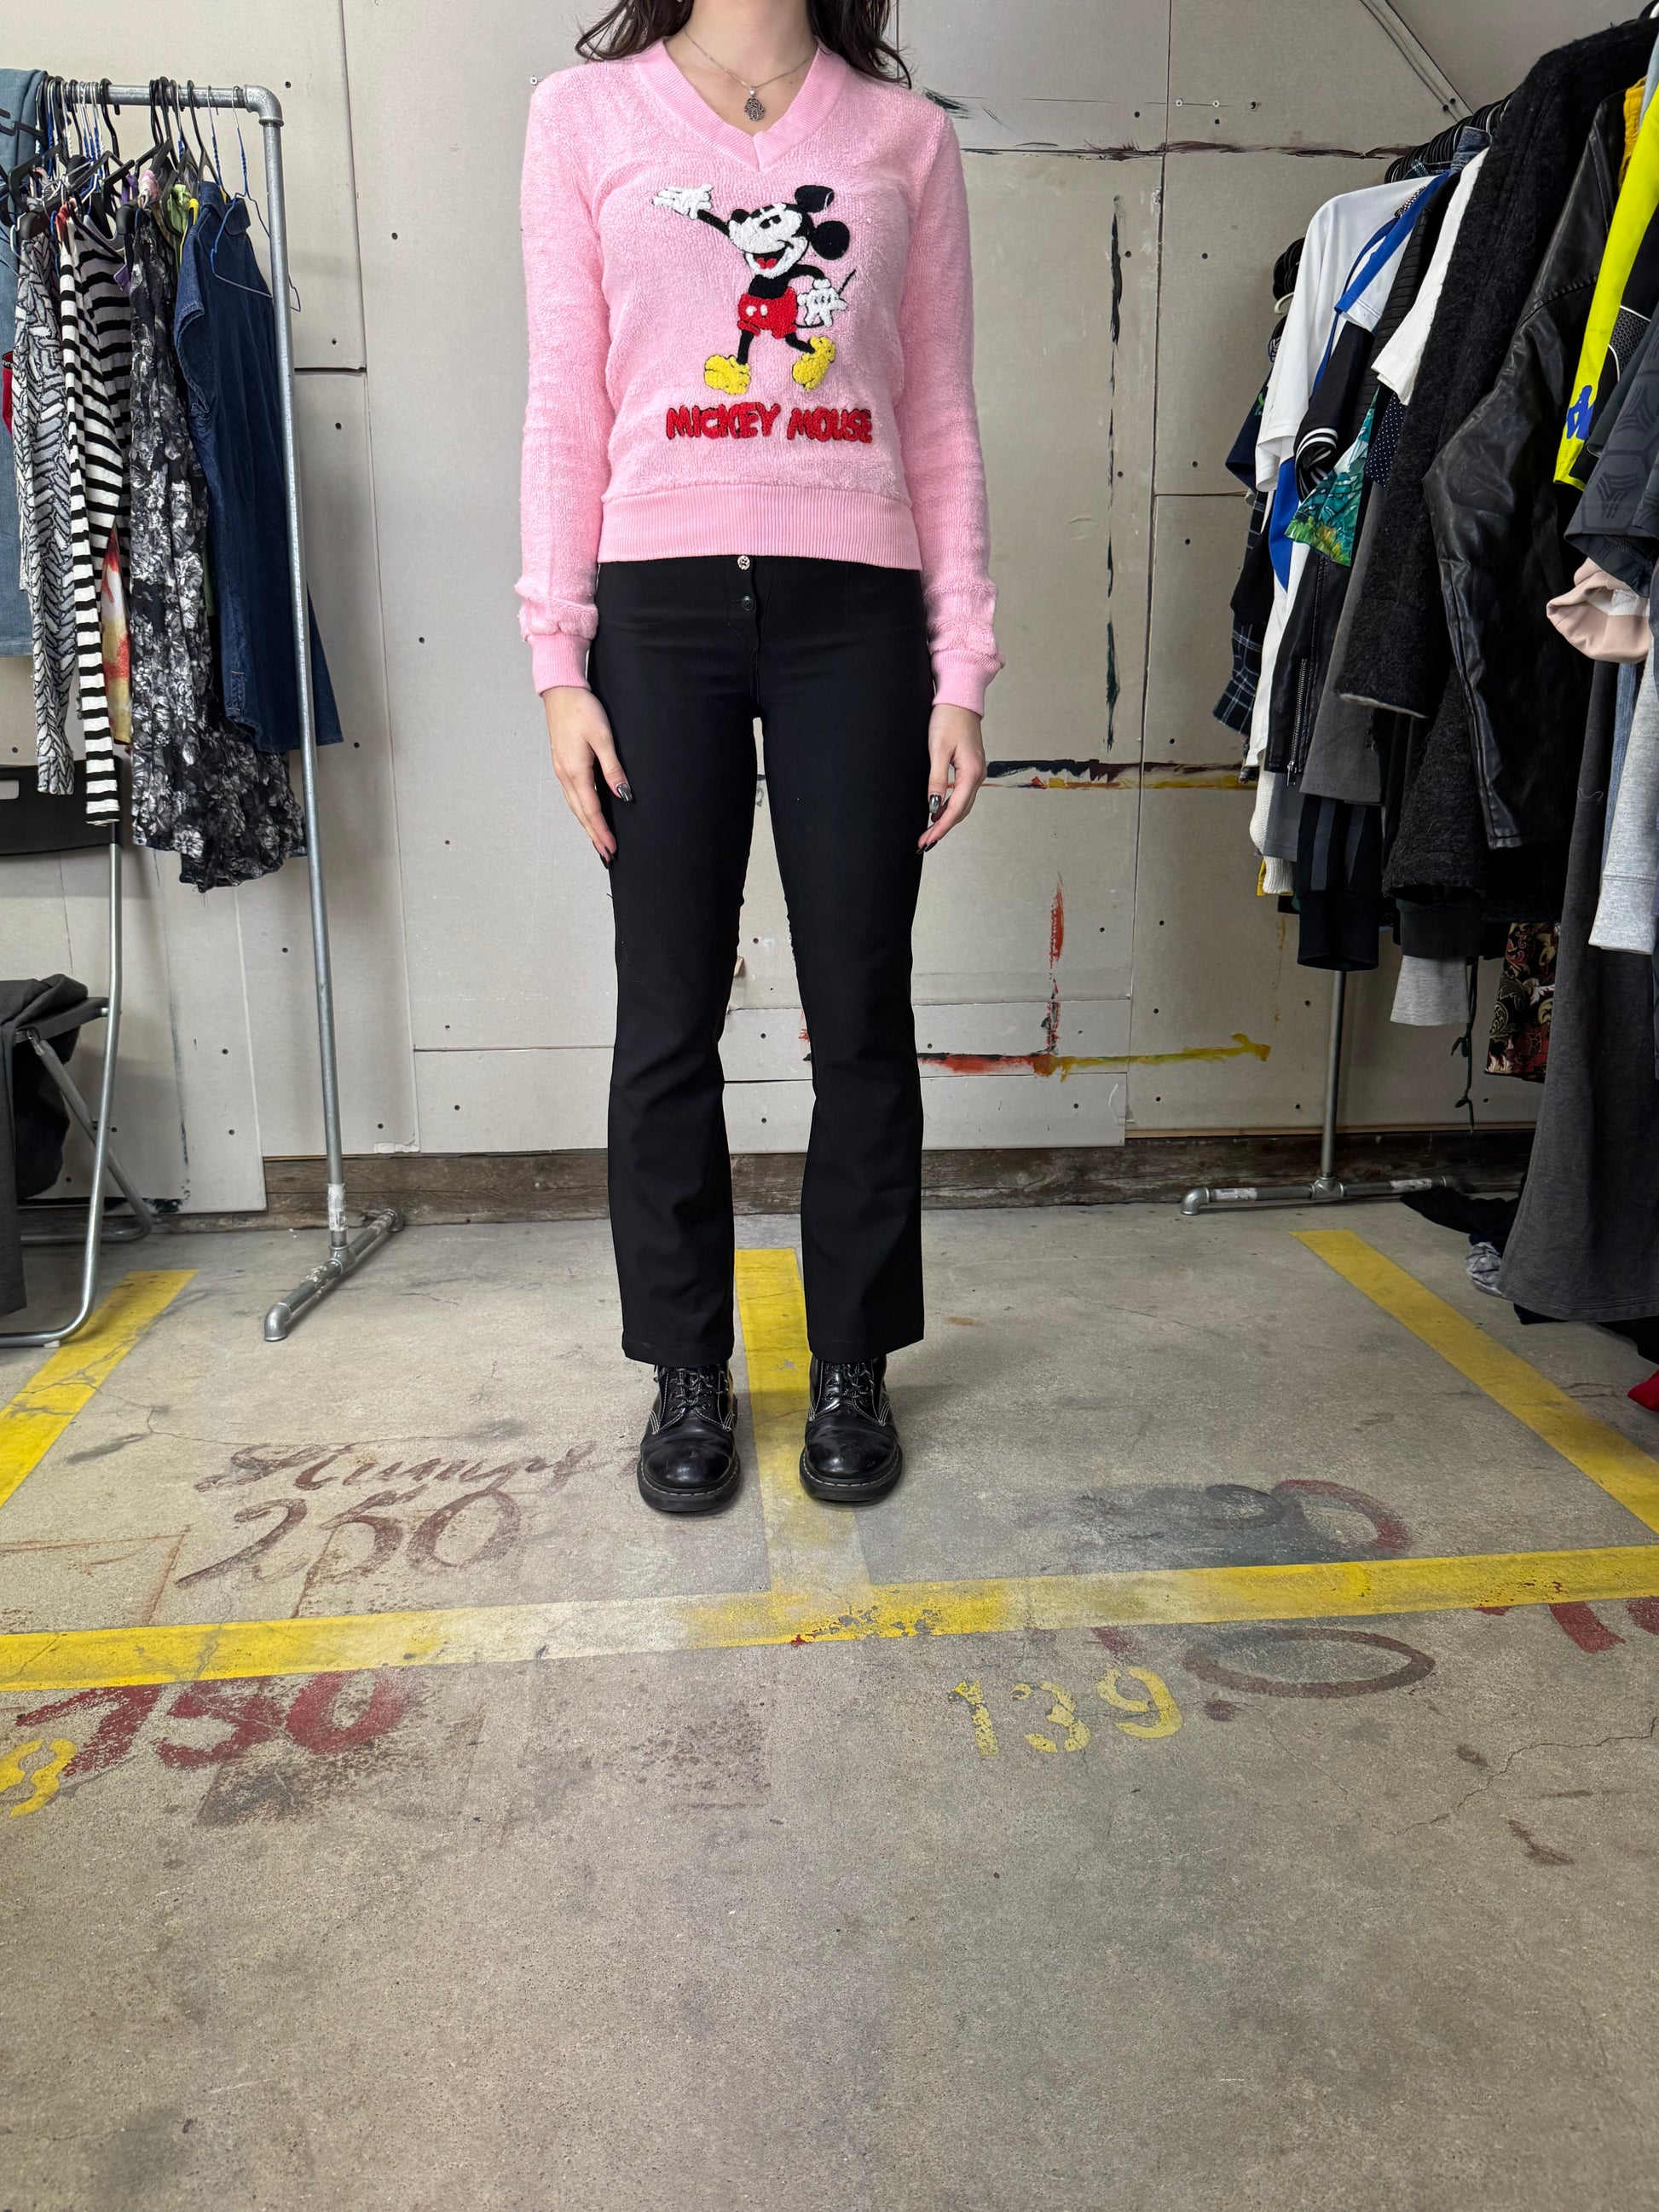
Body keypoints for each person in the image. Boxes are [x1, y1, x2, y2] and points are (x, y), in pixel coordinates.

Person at [517, 0, 1000, 1516]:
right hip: (654, 614)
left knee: (859, 1006)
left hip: (856, 614)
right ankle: (685, 1365)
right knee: (665, 1011)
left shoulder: (902, 137)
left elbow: (936, 411)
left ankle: (851, 1361)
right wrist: (556, 657)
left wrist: (961, 665)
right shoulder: (581, 118)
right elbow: (565, 395)